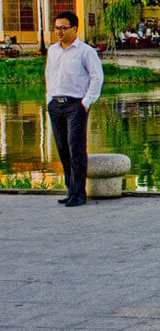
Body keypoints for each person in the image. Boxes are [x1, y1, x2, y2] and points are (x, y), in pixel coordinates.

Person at [45, 12, 104, 208]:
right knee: (62, 148)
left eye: (63, 28)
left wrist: (86, 102)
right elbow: (49, 75)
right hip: (56, 105)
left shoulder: (85, 51)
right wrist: (49, 99)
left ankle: (79, 193)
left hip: (75, 105)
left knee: (75, 148)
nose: (59, 32)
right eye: (56, 28)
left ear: (74, 29)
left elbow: (97, 77)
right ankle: (70, 189)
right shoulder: (53, 51)